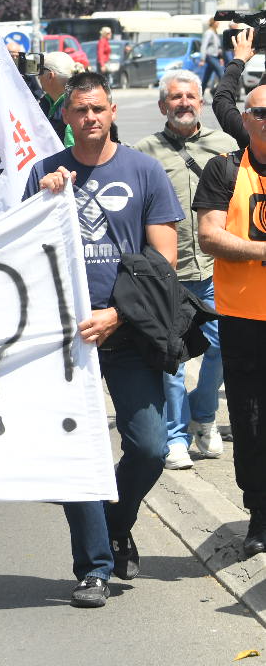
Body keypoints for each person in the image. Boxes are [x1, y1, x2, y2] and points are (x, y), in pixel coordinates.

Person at [23, 71, 182, 608]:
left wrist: (117, 313)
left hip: (126, 334)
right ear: (66, 117)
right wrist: (42, 205)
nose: (90, 118)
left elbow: (163, 263)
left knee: (151, 447)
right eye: (79, 110)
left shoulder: (144, 170)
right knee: (80, 454)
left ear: (112, 110)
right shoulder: (45, 174)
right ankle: (93, 567)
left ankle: (117, 521)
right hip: (65, 341)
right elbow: (25, 256)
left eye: (98, 109)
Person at [132, 69, 231, 470]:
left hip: (214, 269)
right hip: (167, 272)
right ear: (163, 106)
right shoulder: (143, 150)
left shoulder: (224, 145)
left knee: (223, 346)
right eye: (175, 98)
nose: (184, 103)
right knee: (172, 358)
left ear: (201, 102)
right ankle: (175, 436)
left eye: (190, 97)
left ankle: (202, 416)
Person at [194, 78, 266, 556]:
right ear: (245, 119)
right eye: (262, 112)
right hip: (245, 319)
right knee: (250, 418)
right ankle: (259, 513)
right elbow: (210, 237)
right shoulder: (224, 170)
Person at [36, 51, 77, 144]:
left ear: (50, 76)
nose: (38, 77)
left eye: (41, 71)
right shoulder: (46, 102)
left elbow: (73, 155)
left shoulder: (74, 110)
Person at [200, 18, 225, 92]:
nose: (218, 24)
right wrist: (202, 59)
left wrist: (221, 58)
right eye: (217, 22)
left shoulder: (215, 33)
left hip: (215, 56)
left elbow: (218, 47)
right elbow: (204, 45)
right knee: (222, 74)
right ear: (213, 23)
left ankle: (201, 94)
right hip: (210, 56)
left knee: (206, 77)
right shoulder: (209, 32)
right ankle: (220, 93)